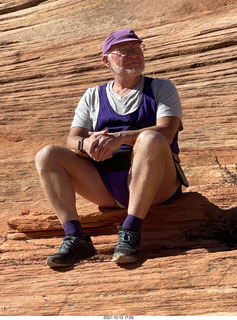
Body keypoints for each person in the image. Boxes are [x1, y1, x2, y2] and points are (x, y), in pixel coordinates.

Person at [35, 29, 188, 268]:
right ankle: (76, 238)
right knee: (47, 155)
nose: (134, 55)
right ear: (106, 60)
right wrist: (84, 144)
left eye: (137, 49)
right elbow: (72, 137)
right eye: (125, 51)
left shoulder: (161, 89)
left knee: (150, 138)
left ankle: (131, 230)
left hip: (158, 183)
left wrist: (120, 138)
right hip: (107, 184)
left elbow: (167, 132)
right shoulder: (93, 96)